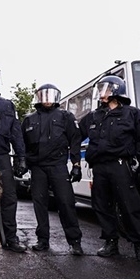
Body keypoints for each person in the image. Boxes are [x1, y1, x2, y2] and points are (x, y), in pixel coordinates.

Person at [77, 75, 140, 266]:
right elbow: (75, 135)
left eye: (106, 89)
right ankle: (111, 242)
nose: (102, 93)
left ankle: (139, 245)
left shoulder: (132, 114)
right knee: (101, 205)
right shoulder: (93, 116)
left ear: (116, 91)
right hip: (100, 167)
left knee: (129, 206)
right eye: (100, 89)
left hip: (121, 165)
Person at [21, 84, 84, 255]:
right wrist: (22, 163)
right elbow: (23, 144)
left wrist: (76, 165)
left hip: (58, 166)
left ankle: (75, 241)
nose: (47, 99)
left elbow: (75, 141)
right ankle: (42, 240)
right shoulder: (29, 119)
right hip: (38, 168)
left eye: (50, 95)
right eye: (43, 95)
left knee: (66, 203)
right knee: (39, 204)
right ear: (38, 97)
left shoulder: (66, 117)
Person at [0, 64, 27, 253]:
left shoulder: (7, 105)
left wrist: (21, 157)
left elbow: (16, 132)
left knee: (9, 197)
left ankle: (11, 238)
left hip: (2, 157)